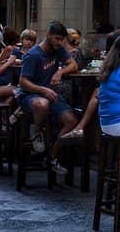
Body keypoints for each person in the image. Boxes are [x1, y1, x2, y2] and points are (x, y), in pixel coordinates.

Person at [18, 21, 79, 174]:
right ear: (48, 35)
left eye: (62, 39)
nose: (60, 42)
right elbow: (23, 82)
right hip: (30, 95)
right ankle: (37, 133)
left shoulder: (59, 49)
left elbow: (73, 65)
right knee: (42, 103)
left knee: (71, 121)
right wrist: (43, 90)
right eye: (57, 38)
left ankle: (51, 157)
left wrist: (60, 72)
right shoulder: (33, 55)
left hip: (51, 94)